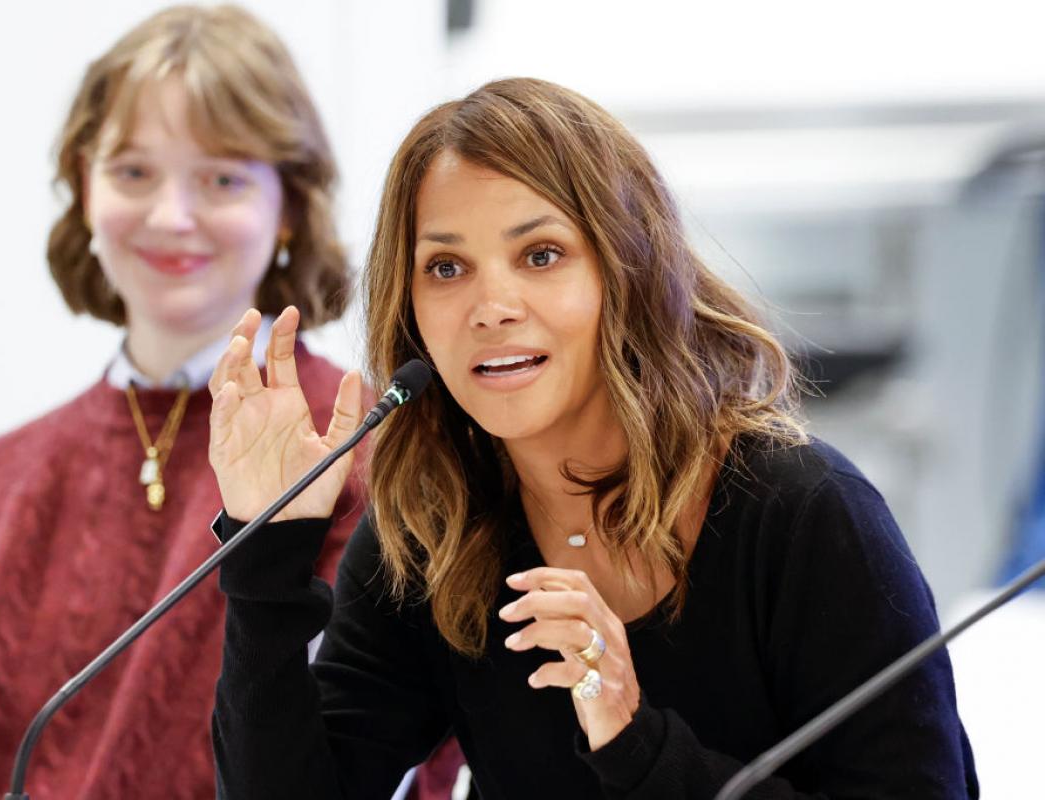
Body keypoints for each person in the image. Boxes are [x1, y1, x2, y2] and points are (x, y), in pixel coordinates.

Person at [205, 77, 980, 798]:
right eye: (446, 267)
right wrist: (265, 552)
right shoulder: (433, 530)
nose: (491, 305)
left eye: (541, 256)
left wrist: (638, 746)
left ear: (628, 272)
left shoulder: (808, 514)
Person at [0, 6, 377, 798]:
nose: (172, 217)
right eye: (134, 172)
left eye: (222, 177)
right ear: (82, 188)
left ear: (289, 206)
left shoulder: (373, 459)